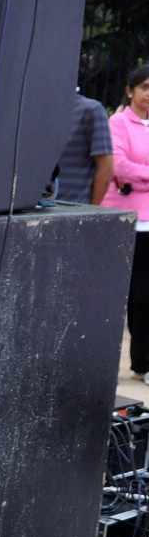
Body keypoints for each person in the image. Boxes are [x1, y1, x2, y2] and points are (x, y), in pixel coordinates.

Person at [101, 63, 149, 381]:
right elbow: (119, 166)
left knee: (145, 296)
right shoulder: (117, 122)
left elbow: (134, 170)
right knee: (110, 294)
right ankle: (98, 361)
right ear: (130, 91)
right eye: (144, 87)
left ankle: (143, 363)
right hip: (122, 220)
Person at [54, 90, 113, 205]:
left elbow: (106, 168)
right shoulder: (30, 109)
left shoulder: (90, 110)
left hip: (72, 208)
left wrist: (90, 210)